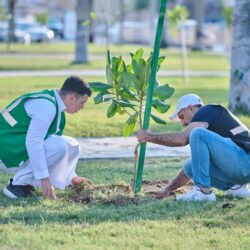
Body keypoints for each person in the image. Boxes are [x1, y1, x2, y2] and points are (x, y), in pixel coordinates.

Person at [137, 93, 250, 202]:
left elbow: (182, 139)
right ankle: (236, 187)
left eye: (182, 116)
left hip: (245, 160)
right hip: (240, 168)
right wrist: (167, 190)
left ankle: (203, 192)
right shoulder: (212, 121)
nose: (183, 123)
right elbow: (189, 170)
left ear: (191, 108)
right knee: (190, 166)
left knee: (197, 133)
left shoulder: (206, 110)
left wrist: (149, 137)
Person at [0, 75, 92, 200]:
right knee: (58, 145)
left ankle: (69, 180)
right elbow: (33, 143)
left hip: (13, 147)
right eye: (82, 102)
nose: (82, 107)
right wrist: (44, 179)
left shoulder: (55, 105)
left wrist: (71, 177)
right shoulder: (47, 106)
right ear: (71, 98)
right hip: (5, 151)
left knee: (71, 144)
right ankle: (17, 185)